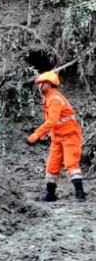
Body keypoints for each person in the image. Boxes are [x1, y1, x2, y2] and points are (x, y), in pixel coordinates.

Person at [27, 71, 86, 202]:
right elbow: (54, 122)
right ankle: (50, 194)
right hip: (57, 137)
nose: (38, 87)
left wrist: (37, 134)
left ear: (47, 84)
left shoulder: (54, 99)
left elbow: (52, 121)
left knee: (71, 164)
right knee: (51, 166)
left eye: (40, 84)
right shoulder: (49, 99)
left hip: (70, 135)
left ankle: (80, 193)